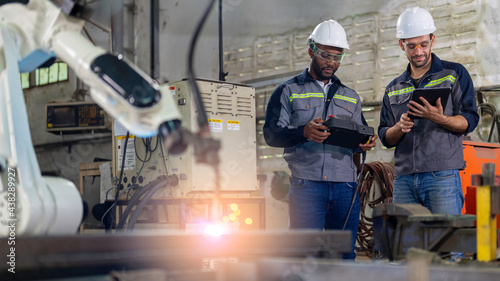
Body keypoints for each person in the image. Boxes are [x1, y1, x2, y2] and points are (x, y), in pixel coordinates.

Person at [263, 19, 377, 260]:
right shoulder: (287, 90)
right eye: (326, 55)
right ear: (311, 50)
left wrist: (365, 142)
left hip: (345, 186)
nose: (332, 63)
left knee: (343, 256)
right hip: (308, 185)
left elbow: (361, 136)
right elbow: (271, 134)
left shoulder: (351, 97)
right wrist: (303, 132)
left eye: (338, 57)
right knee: (305, 256)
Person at [378, 7, 479, 216]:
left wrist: (439, 118)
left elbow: (470, 119)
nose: (418, 52)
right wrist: (399, 127)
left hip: (441, 175)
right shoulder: (393, 88)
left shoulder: (454, 74)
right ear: (401, 45)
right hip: (404, 178)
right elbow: (385, 136)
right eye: (411, 46)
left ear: (433, 40)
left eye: (424, 44)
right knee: (407, 245)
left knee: (447, 246)